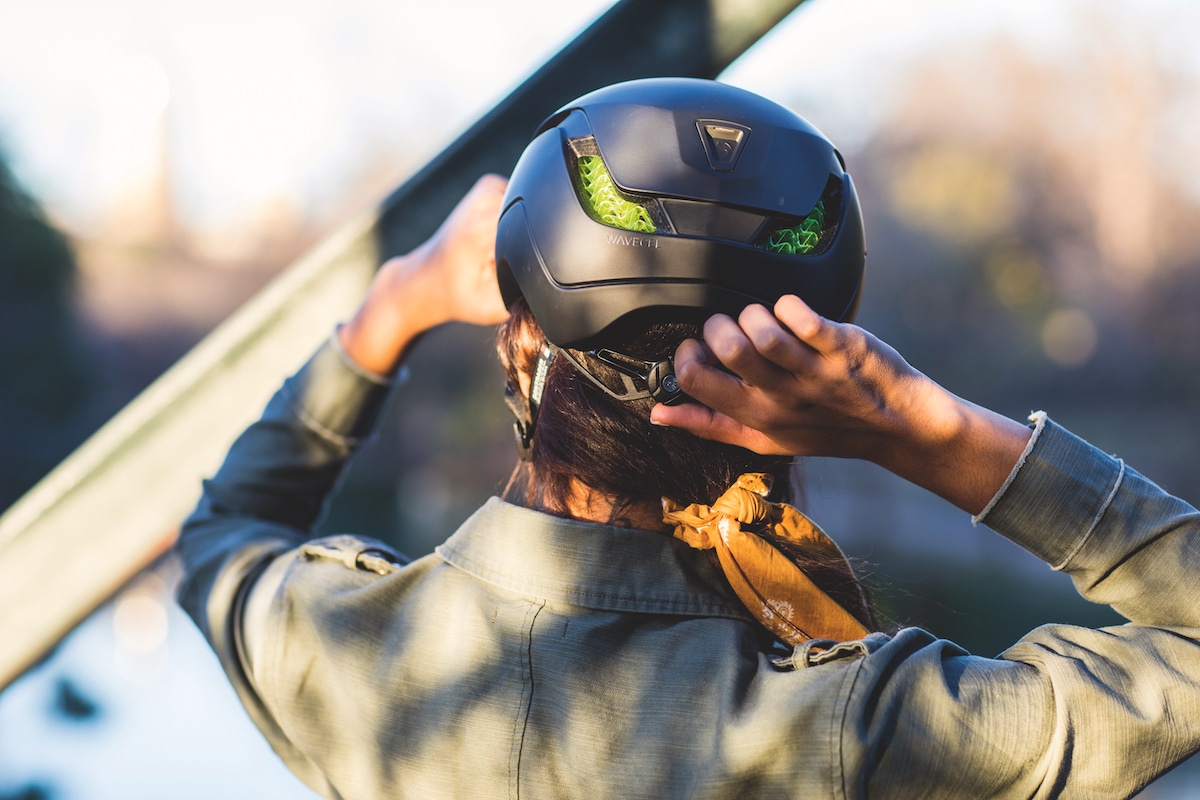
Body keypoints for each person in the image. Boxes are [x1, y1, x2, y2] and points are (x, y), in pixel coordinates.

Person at [178, 79, 1200, 799]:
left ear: (522, 343)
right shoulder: (863, 729)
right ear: (806, 378)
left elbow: (225, 530)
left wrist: (389, 310)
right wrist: (919, 430)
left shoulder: (349, 649)